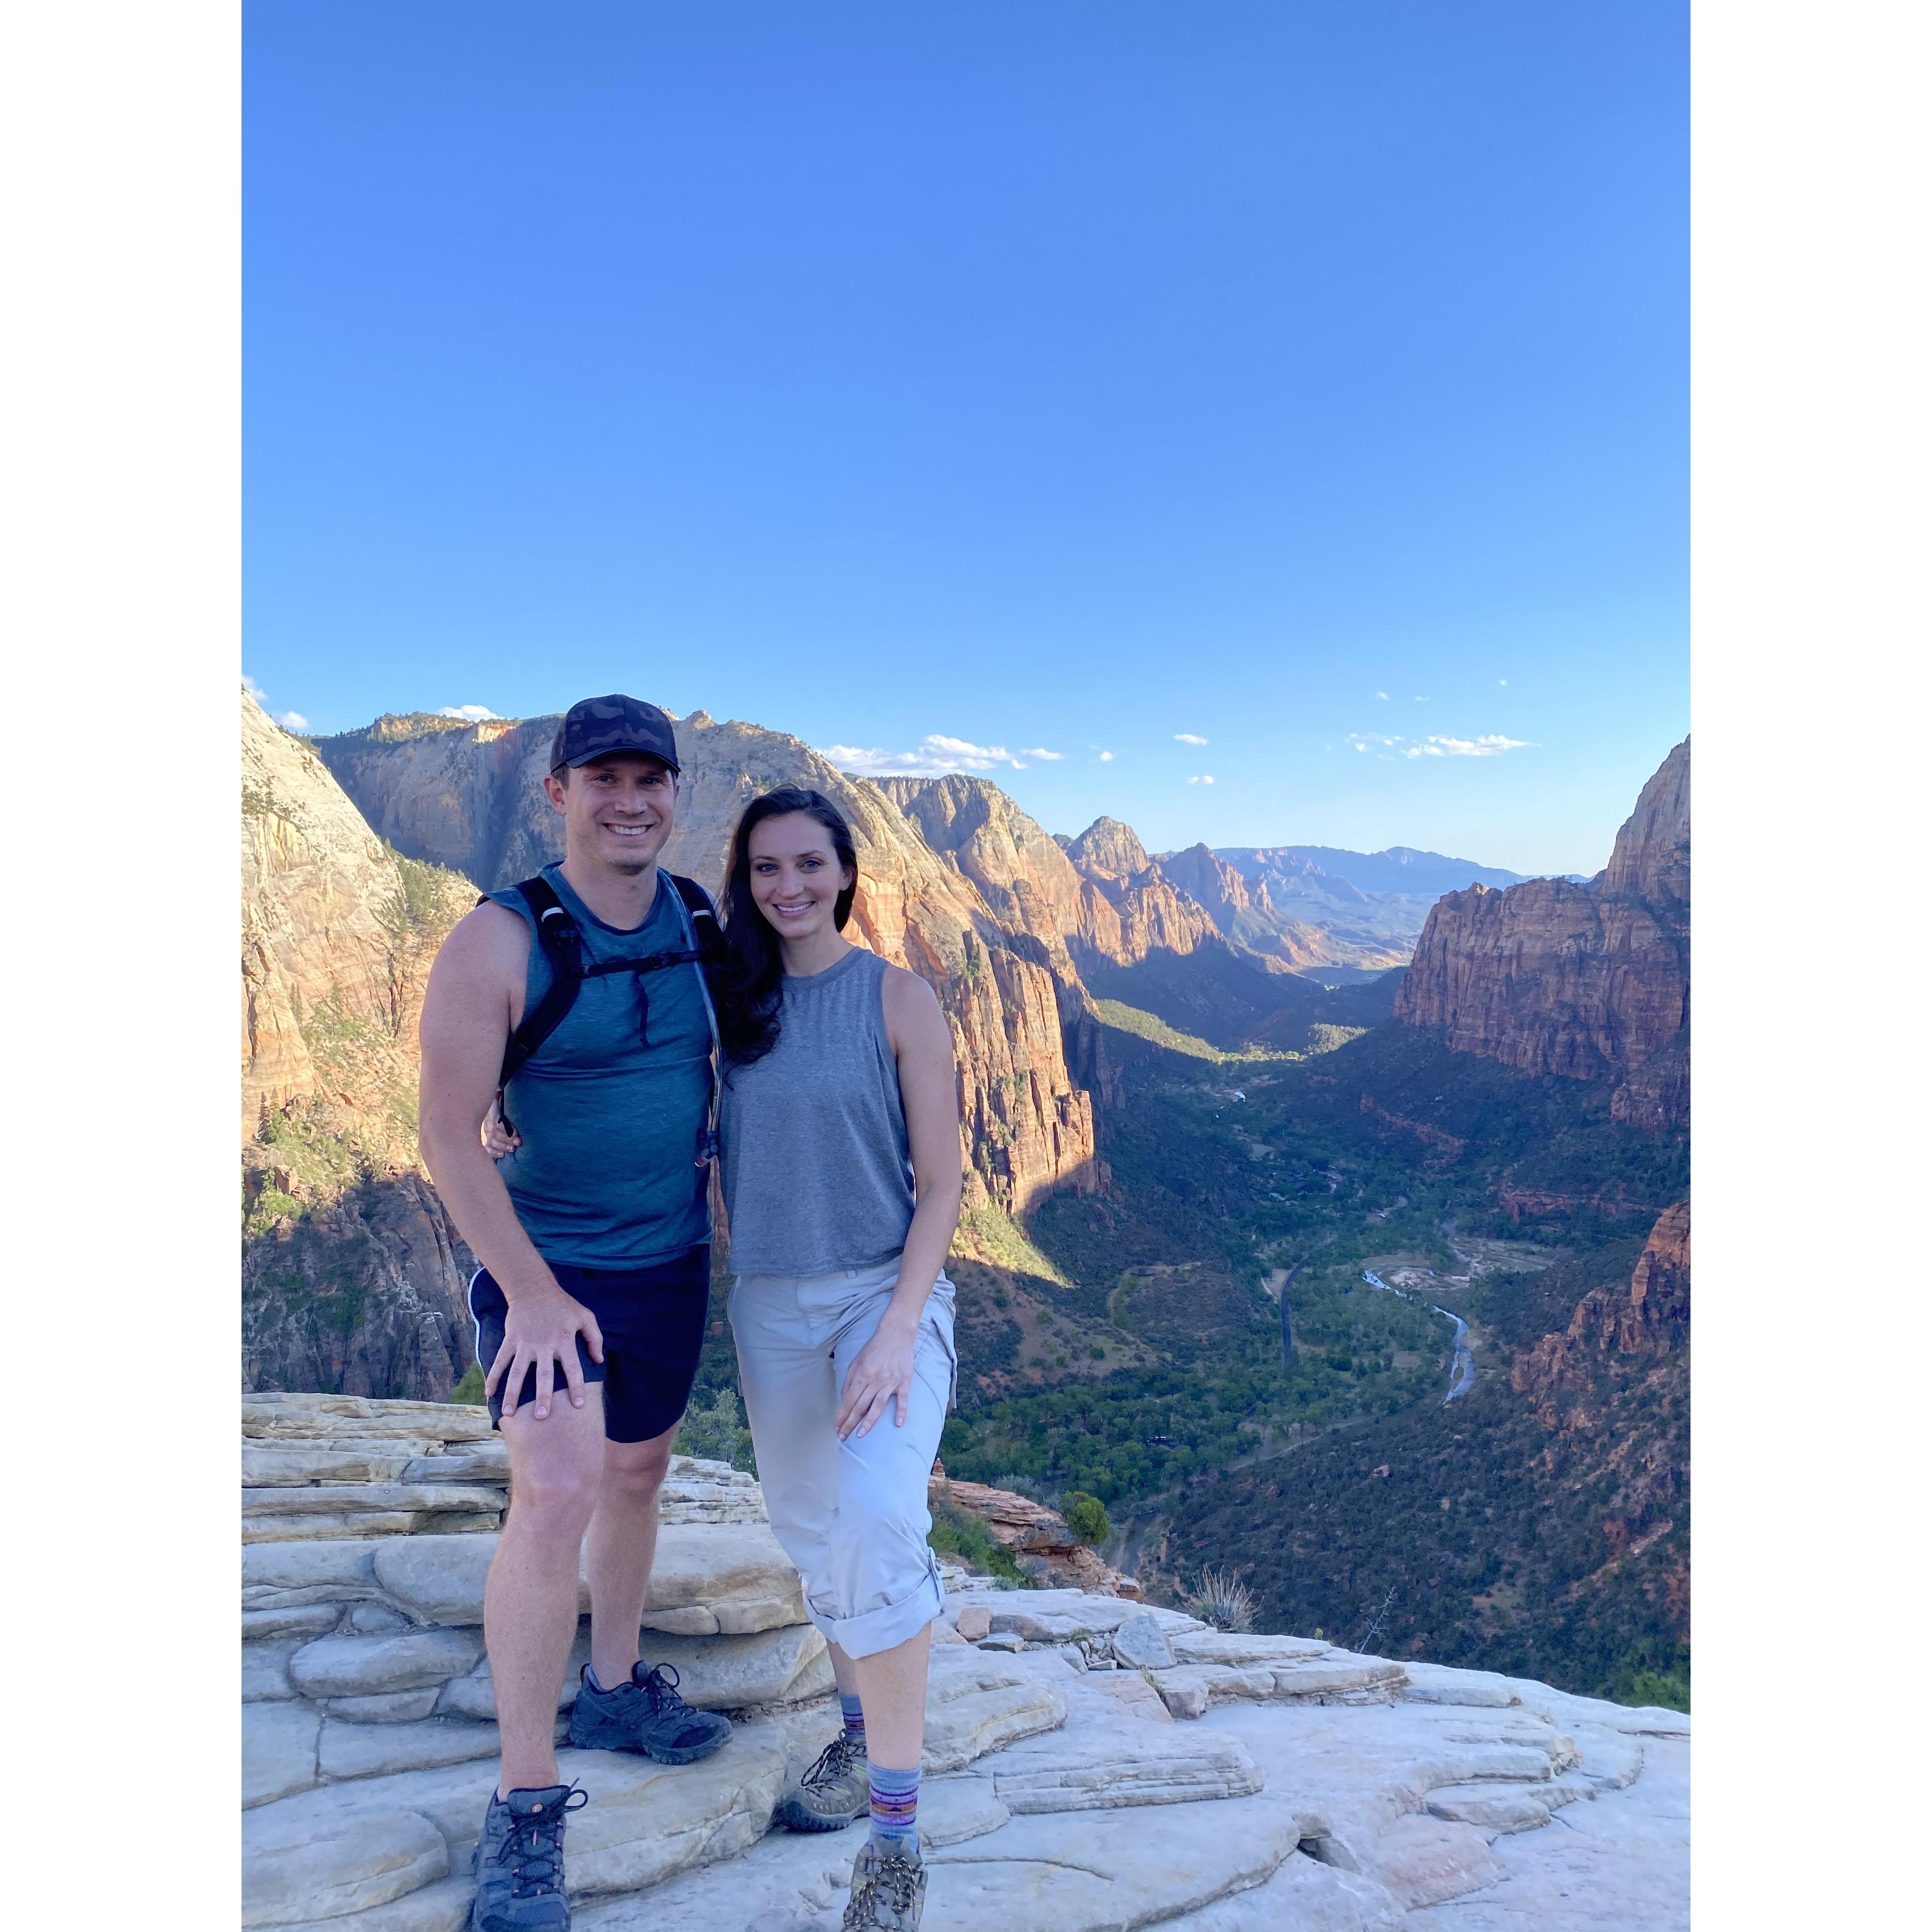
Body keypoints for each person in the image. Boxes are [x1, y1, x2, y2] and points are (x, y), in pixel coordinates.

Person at [418, 694, 734, 1932]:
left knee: (640, 1472)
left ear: (675, 794)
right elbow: (448, 1136)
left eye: (651, 779)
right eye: (604, 779)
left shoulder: (699, 919)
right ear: (558, 793)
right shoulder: (498, 941)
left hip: (670, 1260)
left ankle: (610, 1686)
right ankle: (526, 1801)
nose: (631, 800)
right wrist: (535, 1294)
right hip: (544, 1265)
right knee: (556, 1487)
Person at [711, 787, 965, 1932]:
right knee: (815, 1535)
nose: (788, 886)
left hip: (882, 1296)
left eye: (809, 863)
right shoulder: (728, 1001)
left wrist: (903, 1326)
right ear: (745, 880)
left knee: (874, 1517)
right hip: (768, 1303)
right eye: (766, 868)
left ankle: (896, 1838)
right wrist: (509, 1112)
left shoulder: (898, 998)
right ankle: (857, 1736)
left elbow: (945, 1180)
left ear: (846, 873)